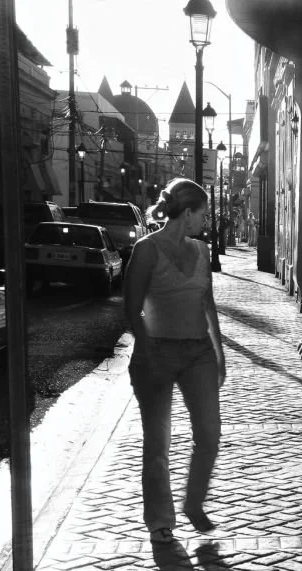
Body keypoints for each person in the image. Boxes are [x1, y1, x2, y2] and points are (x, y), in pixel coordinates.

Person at [124, 178, 226, 546]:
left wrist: (219, 351)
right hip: (157, 353)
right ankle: (160, 520)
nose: (205, 220)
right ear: (187, 213)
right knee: (157, 441)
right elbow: (132, 307)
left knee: (210, 435)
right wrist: (146, 349)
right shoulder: (146, 249)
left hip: (198, 352)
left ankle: (193, 503)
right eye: (202, 213)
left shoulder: (200, 249)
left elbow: (208, 304)